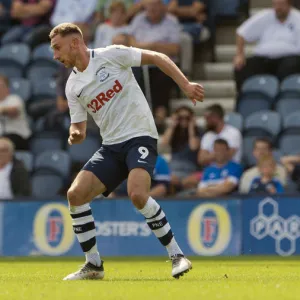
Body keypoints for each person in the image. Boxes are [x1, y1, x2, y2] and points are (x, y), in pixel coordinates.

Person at [49, 22, 204, 280]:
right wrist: (75, 135)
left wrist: (185, 85)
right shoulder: (72, 85)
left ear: (75, 42)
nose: (55, 55)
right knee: (75, 195)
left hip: (140, 136)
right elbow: (79, 128)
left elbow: (158, 57)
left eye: (57, 48)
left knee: (137, 194)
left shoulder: (111, 55)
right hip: (111, 146)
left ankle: (177, 256)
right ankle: (93, 265)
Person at [234, 0, 300, 91]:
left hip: (290, 58)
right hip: (264, 58)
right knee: (242, 67)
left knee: (289, 66)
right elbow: (241, 33)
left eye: (281, 5)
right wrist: (239, 55)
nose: (278, 8)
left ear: (289, 5)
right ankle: (245, 98)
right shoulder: (264, 16)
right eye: (275, 5)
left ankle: (284, 98)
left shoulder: (297, 18)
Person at [160, 105, 200, 192]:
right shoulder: (174, 132)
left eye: (187, 118)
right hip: (173, 168)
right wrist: (173, 124)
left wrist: (191, 127)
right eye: (181, 117)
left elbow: (193, 147)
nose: (184, 120)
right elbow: (163, 143)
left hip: (190, 169)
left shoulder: (197, 131)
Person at [0, 75, 31, 150]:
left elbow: (13, 111)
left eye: (1, 86)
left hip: (17, 136)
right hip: (1, 137)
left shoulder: (14, 99)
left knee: (5, 142)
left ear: (7, 88)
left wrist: (2, 110)